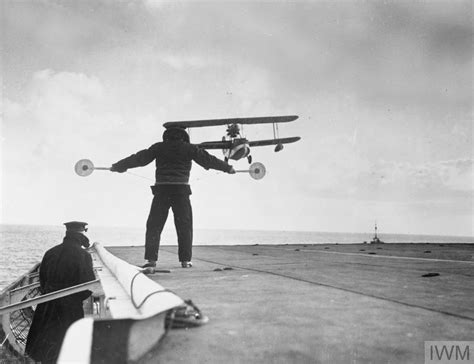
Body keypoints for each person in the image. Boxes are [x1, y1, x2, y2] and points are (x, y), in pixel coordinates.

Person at [110, 127, 235, 268]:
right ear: (183, 136)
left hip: (161, 191)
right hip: (181, 191)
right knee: (184, 226)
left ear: (166, 136)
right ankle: (185, 261)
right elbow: (208, 160)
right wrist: (227, 168)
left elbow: (139, 159)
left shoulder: (159, 147)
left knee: (154, 226)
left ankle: (151, 260)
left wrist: (118, 166)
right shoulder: (190, 148)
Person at [25, 221, 96, 363]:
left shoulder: (50, 252)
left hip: (46, 306)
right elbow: (88, 286)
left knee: (45, 350)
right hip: (70, 309)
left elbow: (42, 280)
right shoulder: (84, 256)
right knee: (68, 350)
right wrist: (75, 299)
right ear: (82, 234)